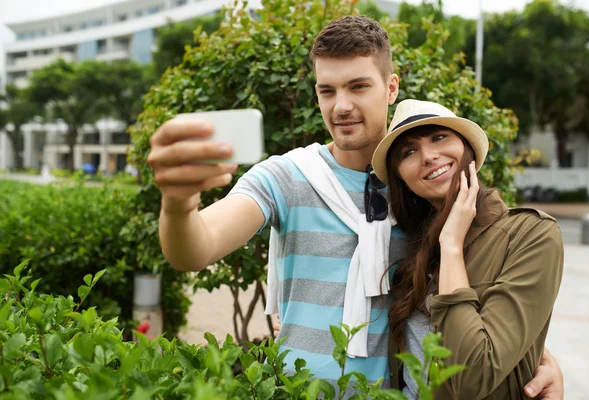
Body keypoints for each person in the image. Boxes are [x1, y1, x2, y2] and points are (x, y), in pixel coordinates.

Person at [147, 15, 563, 398]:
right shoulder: (287, 176)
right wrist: (179, 204)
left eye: (358, 86)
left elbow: (472, 295)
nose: (340, 106)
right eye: (327, 90)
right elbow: (196, 249)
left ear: (392, 88)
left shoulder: (421, 192)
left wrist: (540, 356)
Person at [369, 99, 564, 399]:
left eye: (439, 137)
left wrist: (451, 247)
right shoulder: (406, 246)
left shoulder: (531, 234)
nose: (429, 156)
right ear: (402, 180)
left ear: (467, 149)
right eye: (409, 151)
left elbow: (474, 377)